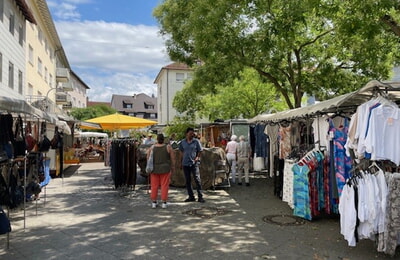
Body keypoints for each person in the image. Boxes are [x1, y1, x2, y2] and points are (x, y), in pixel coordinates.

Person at [147, 134, 175, 209]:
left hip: (154, 169)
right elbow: (173, 158)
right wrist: (173, 167)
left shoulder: (152, 147)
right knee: (164, 186)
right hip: (165, 169)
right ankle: (164, 202)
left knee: (154, 186)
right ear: (163, 139)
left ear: (157, 139)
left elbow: (148, 158)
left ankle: (154, 202)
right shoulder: (168, 147)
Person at [179, 127, 205, 203]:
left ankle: (200, 197)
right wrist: (180, 162)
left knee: (197, 180)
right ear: (186, 134)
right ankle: (191, 196)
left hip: (194, 163)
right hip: (185, 164)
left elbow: (200, 151)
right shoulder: (182, 142)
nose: (192, 135)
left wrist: (197, 157)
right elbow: (181, 152)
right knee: (187, 181)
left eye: (193, 133)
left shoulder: (196, 141)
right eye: (190, 133)